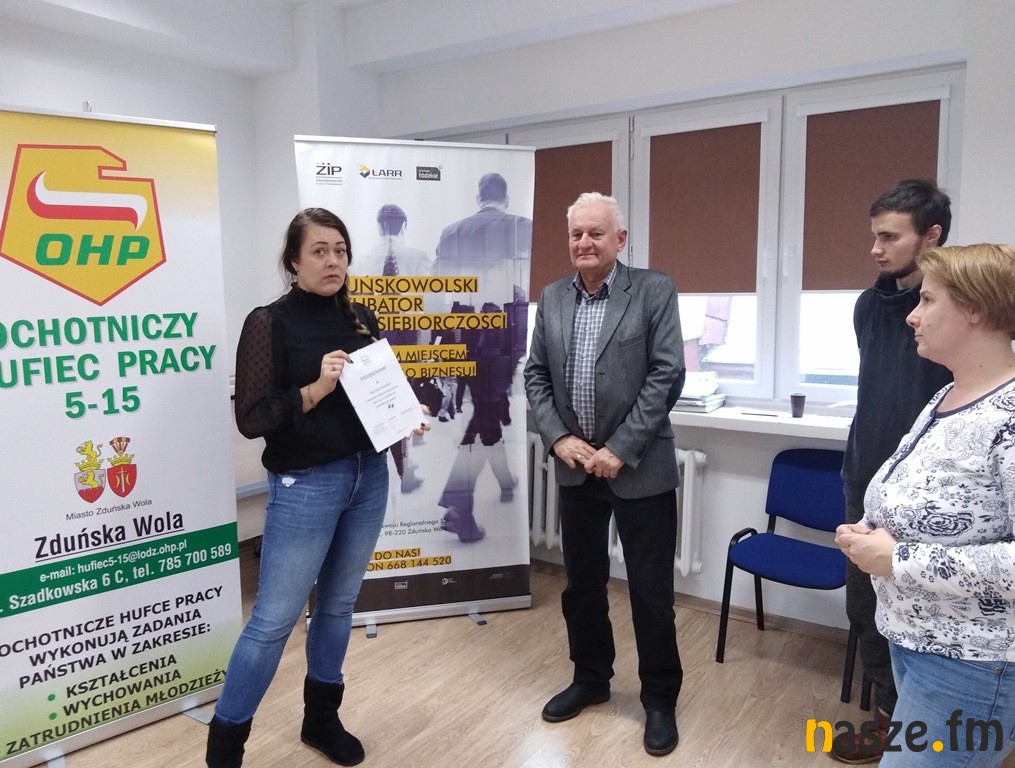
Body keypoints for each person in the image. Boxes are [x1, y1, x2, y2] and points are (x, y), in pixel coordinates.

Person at [206, 208, 428, 768]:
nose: (333, 261)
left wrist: (406, 416)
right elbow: (252, 418)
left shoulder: (361, 317)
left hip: (367, 476)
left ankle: (321, 720)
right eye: (319, 251)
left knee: (338, 606)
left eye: (340, 250)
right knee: (273, 620)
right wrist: (315, 389)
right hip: (306, 482)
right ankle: (224, 751)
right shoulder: (269, 322)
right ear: (294, 261)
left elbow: (379, 397)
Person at [836, 243, 1015, 768]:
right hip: (914, 641)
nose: (912, 316)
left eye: (928, 301)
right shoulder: (948, 398)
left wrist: (898, 559)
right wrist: (868, 528)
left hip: (974, 663)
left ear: (976, 309)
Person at [523, 192, 686, 756]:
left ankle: (659, 699)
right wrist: (558, 437)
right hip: (576, 471)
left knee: (651, 593)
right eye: (576, 234)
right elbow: (536, 375)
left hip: (639, 468)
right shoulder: (552, 297)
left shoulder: (654, 290)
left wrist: (620, 447)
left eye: (596, 233)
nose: (584, 243)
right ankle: (591, 678)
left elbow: (667, 374)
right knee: (582, 587)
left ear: (620, 239)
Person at [835, 179, 954, 764]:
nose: (876, 249)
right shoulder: (868, 306)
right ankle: (890, 721)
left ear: (931, 236)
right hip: (865, 480)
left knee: (920, 618)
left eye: (890, 237)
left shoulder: (957, 311)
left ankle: (928, 734)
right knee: (866, 609)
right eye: (874, 236)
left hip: (928, 494)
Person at [434, 173, 532, 541]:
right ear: (505, 197)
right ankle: (460, 505)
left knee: (488, 414)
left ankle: (502, 483)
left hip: (463, 334)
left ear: (479, 196)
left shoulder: (452, 232)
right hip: (500, 334)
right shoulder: (523, 227)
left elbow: (439, 291)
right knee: (488, 413)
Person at [352, 204, 434, 493]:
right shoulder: (420, 258)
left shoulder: (360, 261)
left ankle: (400, 468)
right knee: (400, 402)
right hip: (408, 338)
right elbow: (430, 305)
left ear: (378, 226)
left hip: (372, 341)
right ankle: (403, 469)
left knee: (383, 403)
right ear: (405, 225)